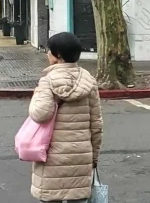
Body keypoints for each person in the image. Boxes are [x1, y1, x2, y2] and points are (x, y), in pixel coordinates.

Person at [28, 32, 103, 203]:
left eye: (49, 50)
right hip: (81, 156)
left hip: (52, 157)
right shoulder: (89, 81)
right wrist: (94, 157)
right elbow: (96, 125)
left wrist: (35, 96)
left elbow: (40, 114)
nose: (47, 54)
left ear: (58, 55)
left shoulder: (48, 81)